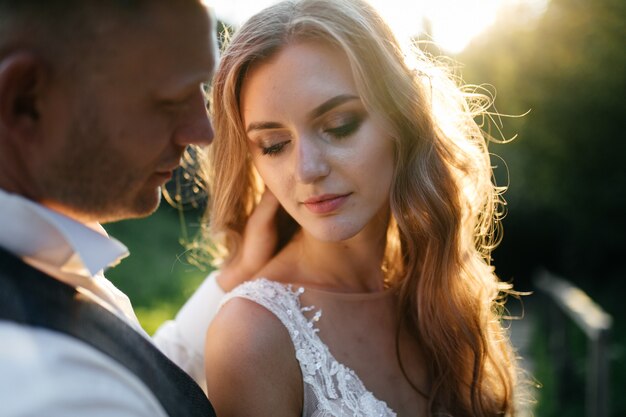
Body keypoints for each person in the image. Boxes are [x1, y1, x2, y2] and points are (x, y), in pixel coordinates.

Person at [201, 0, 524, 416]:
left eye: (340, 126)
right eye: (274, 145)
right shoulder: (253, 335)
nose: (307, 170)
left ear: (402, 118)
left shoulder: (440, 287)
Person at [0, 1, 278, 415]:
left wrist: (238, 272)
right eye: (170, 101)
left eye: (201, 93)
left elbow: (143, 378)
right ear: (26, 100)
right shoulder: (51, 389)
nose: (202, 133)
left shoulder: (44, 260)